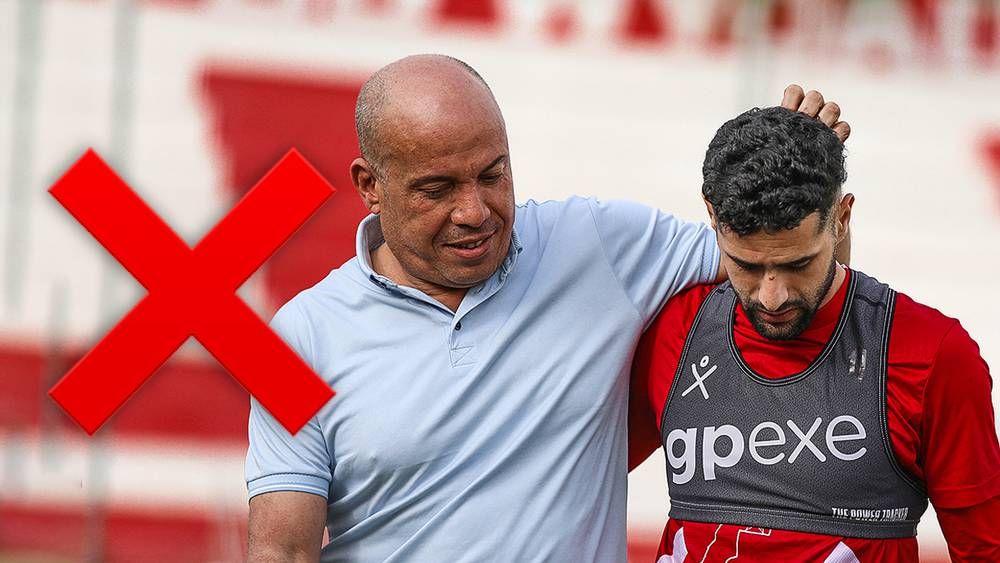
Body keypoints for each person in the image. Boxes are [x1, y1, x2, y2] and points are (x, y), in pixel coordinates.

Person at [245, 54, 848, 562]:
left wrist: (800, 186)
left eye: (492, 174)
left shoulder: (598, 245)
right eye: (438, 188)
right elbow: (283, 551)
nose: (475, 211)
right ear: (369, 185)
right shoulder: (298, 337)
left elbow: (788, 264)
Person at [628, 106, 1000, 562]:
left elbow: (985, 550)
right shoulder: (674, 329)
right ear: (712, 215)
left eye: (798, 264)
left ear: (841, 218)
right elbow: (574, 475)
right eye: (745, 265)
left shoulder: (932, 353)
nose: (772, 296)